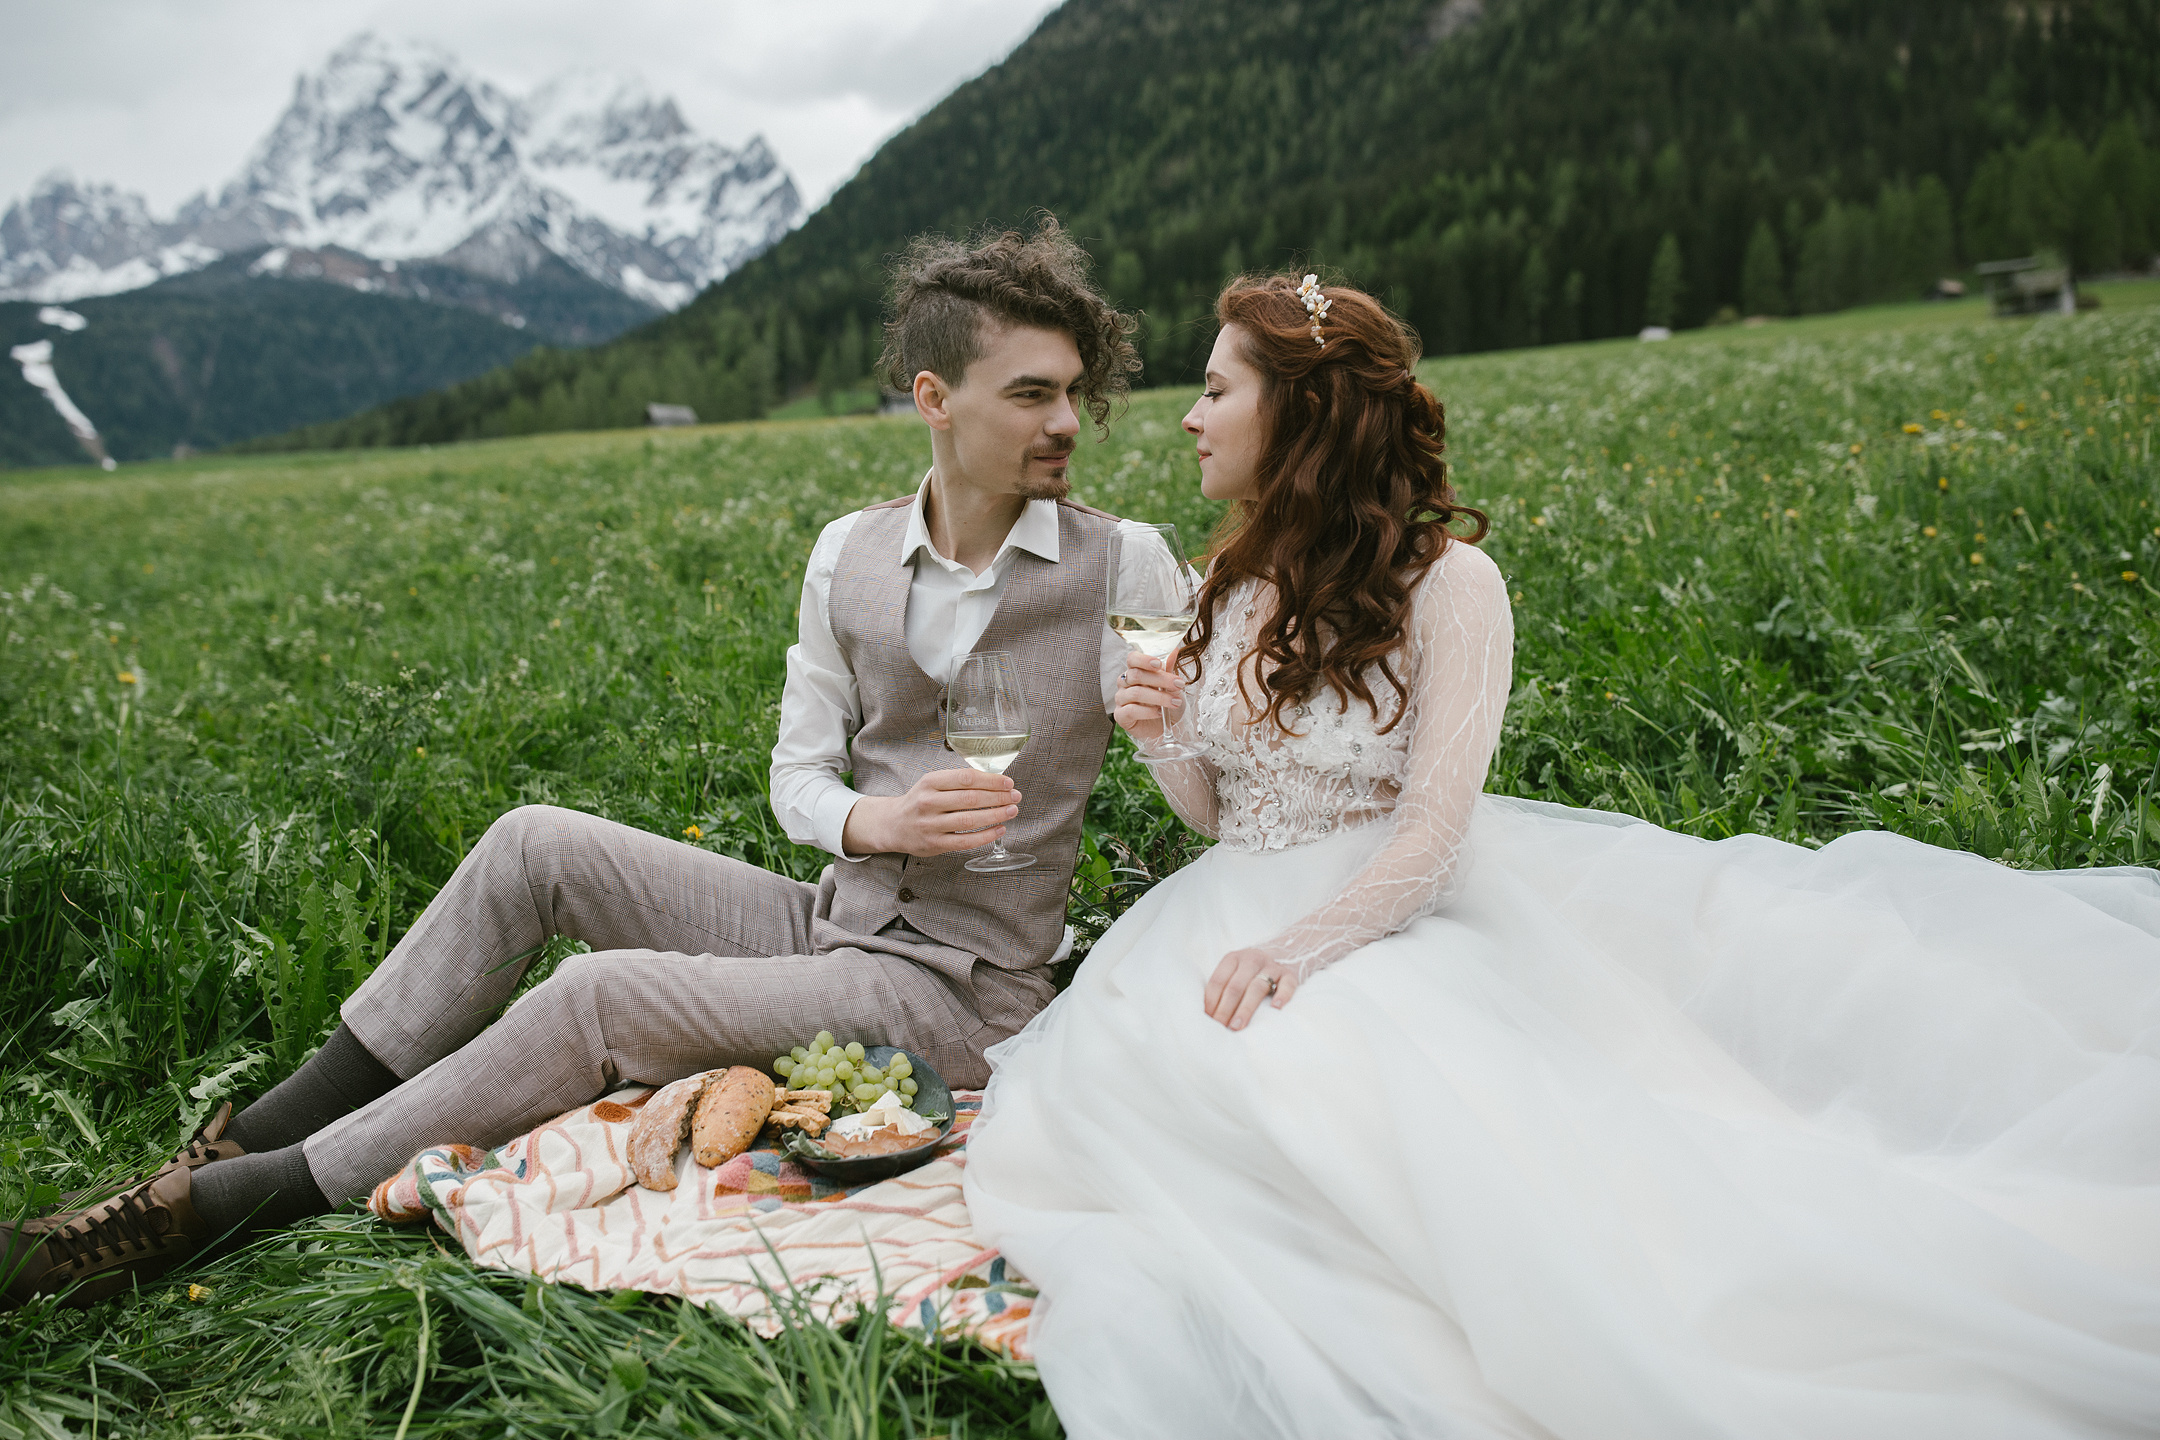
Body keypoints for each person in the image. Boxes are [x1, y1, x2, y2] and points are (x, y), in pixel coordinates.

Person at [961, 273, 2160, 1439]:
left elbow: (1435, 828)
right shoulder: (1220, 580)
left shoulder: (1451, 584)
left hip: (1391, 909)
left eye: (1219, 389)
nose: (1189, 414)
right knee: (1148, 1100)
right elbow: (1221, 817)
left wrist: (1301, 947)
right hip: (1221, 910)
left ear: (1303, 411)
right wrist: (1161, 731)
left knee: (1350, 1095)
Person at [4, 218, 1143, 1310]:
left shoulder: (1122, 566)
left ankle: (214, 1208)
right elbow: (797, 776)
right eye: (1031, 394)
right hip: (837, 916)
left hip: (962, 993)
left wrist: (1173, 718)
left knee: (602, 995)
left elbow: (1216, 777)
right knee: (533, 842)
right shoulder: (847, 553)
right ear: (935, 401)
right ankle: (259, 1128)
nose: (1066, 424)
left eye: (1070, 393)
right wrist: (873, 827)